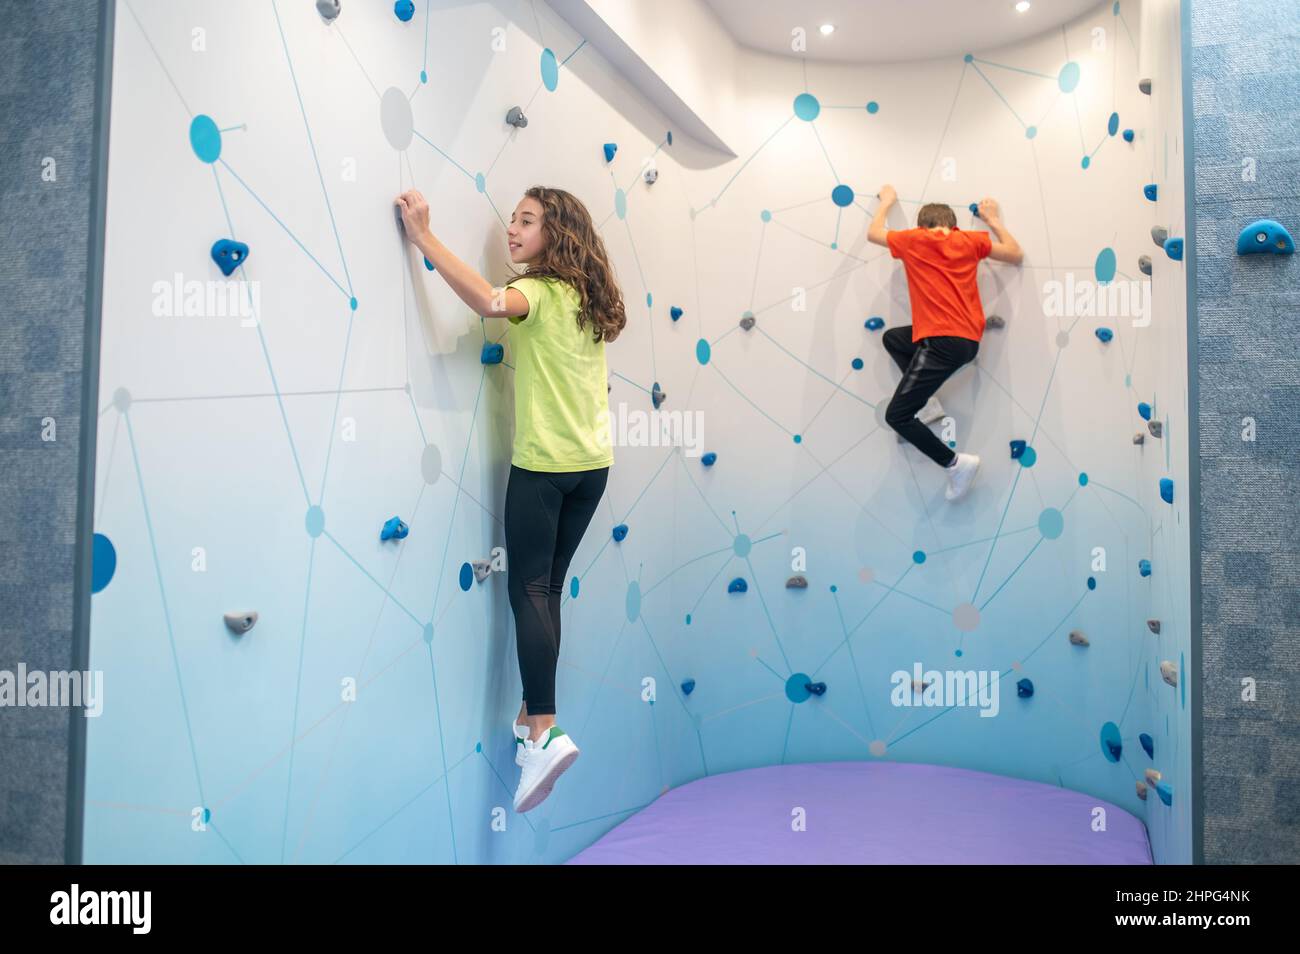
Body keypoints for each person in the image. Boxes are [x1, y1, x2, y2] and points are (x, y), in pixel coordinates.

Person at [395, 185, 626, 812]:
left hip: (544, 470)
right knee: (546, 592)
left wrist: (423, 236)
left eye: (528, 222)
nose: (513, 230)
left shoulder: (543, 294)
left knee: (527, 591)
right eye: (513, 221)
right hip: (592, 470)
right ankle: (533, 726)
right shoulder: (587, 299)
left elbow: (486, 300)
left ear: (557, 233)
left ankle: (545, 730)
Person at [867, 186, 1023, 501]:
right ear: (952, 224)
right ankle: (928, 404)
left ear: (922, 225)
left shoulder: (914, 239)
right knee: (894, 339)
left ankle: (955, 464)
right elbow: (1015, 253)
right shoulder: (968, 240)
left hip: (941, 342)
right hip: (965, 341)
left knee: (896, 416)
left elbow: (874, 233)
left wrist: (886, 203)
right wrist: (992, 219)